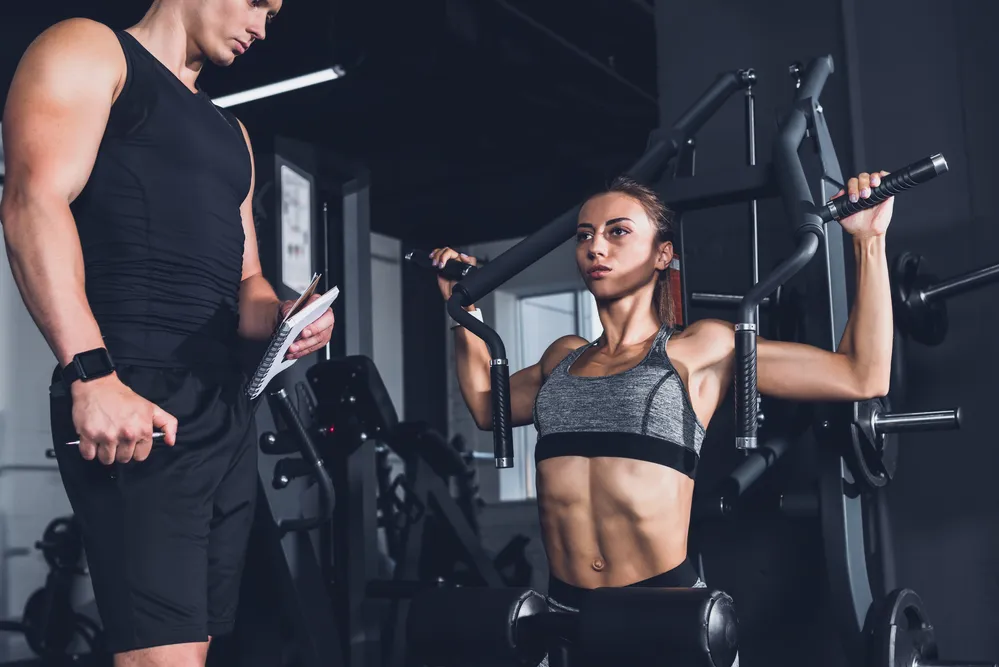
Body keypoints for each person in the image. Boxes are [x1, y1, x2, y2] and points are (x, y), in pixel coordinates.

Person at [435, 171, 892, 664]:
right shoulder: (561, 358)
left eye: (617, 231)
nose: (595, 247)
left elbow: (861, 375)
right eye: (585, 235)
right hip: (565, 617)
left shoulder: (701, 348)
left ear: (662, 254)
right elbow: (487, 406)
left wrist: (868, 240)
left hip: (665, 615)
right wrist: (466, 311)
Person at [0, 0, 334, 665]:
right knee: (161, 655)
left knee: (201, 649)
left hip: (223, 410)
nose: (263, 29)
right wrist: (90, 374)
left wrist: (287, 320)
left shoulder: (231, 132)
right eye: (257, 4)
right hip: (134, 394)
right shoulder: (91, 51)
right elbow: (32, 198)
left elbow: (247, 283)